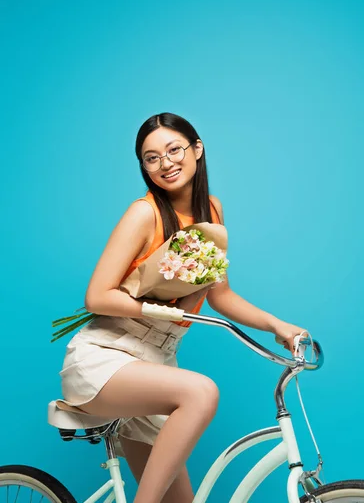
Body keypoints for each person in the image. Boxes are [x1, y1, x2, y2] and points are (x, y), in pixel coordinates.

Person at [58, 112, 307, 503]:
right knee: (201, 392)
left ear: (197, 149)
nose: (166, 163)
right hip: (105, 359)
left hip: (156, 363)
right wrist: (156, 311)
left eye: (174, 149)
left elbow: (221, 296)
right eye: (151, 157)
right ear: (143, 166)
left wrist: (278, 325)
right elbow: (96, 297)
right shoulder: (144, 213)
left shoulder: (212, 211)